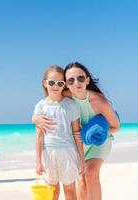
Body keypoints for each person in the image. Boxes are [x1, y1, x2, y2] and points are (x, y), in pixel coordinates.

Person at [34, 62, 120, 200]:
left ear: (87, 80)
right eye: (71, 80)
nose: (76, 83)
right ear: (66, 84)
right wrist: (35, 118)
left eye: (80, 78)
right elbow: (48, 103)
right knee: (81, 179)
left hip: (100, 140)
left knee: (91, 172)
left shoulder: (98, 101)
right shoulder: (67, 95)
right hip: (79, 141)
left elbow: (116, 126)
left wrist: (93, 135)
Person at [33, 65, 85, 200]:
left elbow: (77, 134)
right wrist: (38, 161)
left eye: (60, 83)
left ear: (64, 85)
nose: (55, 86)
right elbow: (39, 136)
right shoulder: (41, 106)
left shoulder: (71, 105)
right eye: (51, 82)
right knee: (53, 191)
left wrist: (82, 160)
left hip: (68, 152)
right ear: (45, 83)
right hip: (48, 153)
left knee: (70, 190)